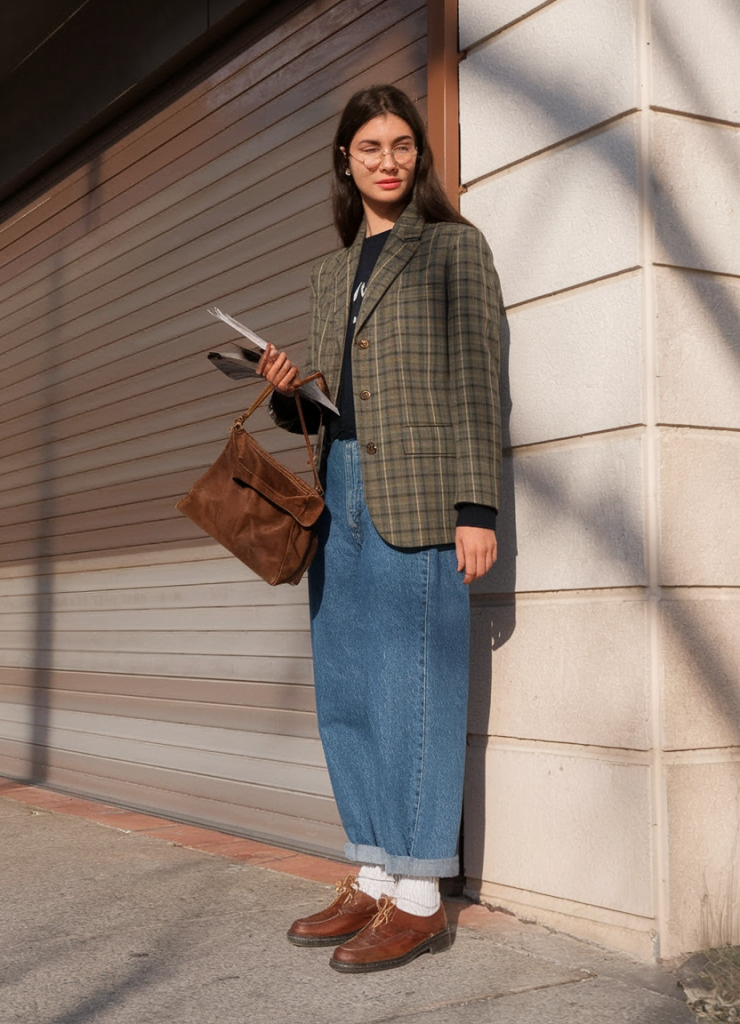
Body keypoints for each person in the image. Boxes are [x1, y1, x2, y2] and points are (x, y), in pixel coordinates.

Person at [256, 84, 502, 974]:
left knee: (418, 685)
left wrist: (477, 507)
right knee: (350, 688)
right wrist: (289, 391)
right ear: (346, 161)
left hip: (425, 491)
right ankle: (371, 863)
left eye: (402, 145)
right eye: (371, 147)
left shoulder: (454, 249)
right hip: (340, 491)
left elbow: (479, 377)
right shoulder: (332, 271)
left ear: (416, 156)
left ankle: (423, 891)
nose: (388, 160)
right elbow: (327, 408)